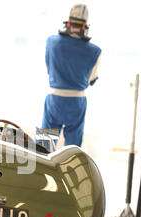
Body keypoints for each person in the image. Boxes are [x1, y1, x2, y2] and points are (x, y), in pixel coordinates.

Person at [41, 4, 101, 148]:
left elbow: (49, 69)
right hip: (77, 101)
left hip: (54, 98)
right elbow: (91, 79)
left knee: (43, 146)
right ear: (85, 26)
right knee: (72, 149)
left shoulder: (51, 42)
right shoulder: (95, 51)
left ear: (68, 22)